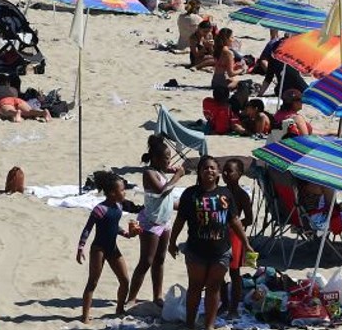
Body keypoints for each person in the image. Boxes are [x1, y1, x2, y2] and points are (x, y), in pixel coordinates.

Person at [168, 156, 251, 330]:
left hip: (221, 250)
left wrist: (246, 243)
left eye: (213, 168)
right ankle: (190, 324)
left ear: (218, 172)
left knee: (214, 288)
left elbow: (235, 220)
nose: (209, 171)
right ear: (199, 172)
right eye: (205, 168)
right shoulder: (190, 194)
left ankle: (209, 326)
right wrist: (172, 241)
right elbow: (180, 220)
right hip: (196, 250)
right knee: (195, 287)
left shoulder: (225, 194)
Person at [127, 135, 185, 308]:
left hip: (164, 221)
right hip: (150, 222)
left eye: (169, 159)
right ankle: (132, 297)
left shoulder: (160, 172)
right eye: (166, 159)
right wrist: (178, 177)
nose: (169, 162)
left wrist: (185, 205)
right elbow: (162, 192)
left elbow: (167, 201)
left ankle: (157, 295)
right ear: (155, 158)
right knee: (146, 260)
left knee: (160, 259)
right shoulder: (149, 173)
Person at [77, 171, 134, 323]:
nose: (124, 192)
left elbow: (114, 226)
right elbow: (87, 229)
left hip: (112, 248)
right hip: (99, 250)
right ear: (112, 193)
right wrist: (80, 247)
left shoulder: (119, 206)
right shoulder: (99, 209)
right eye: (122, 190)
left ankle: (120, 308)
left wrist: (127, 233)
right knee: (93, 283)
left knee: (124, 280)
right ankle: (85, 316)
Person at [221, 159, 254, 318]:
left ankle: (233, 309)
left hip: (235, 236)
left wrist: (234, 224)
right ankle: (224, 303)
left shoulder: (242, 195)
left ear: (239, 174)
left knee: (234, 273)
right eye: (224, 171)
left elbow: (249, 219)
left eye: (230, 171)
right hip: (220, 234)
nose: (225, 174)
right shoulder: (220, 192)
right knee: (219, 271)